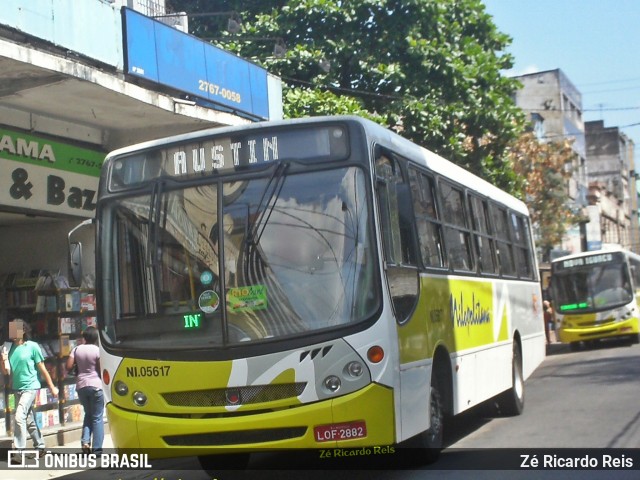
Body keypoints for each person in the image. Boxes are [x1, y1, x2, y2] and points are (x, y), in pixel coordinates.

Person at [0, 319, 58, 460]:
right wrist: (3, 359)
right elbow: (6, 372)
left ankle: (18, 452)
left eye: (15, 329)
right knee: (28, 419)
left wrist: (51, 387)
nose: (12, 332)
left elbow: (42, 369)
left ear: (23, 331)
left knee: (19, 416)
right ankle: (40, 446)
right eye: (10, 329)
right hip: (17, 388)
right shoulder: (8, 347)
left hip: (31, 387)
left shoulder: (32, 346)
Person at [66, 326, 103, 454]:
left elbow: (68, 366)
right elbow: (100, 370)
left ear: (85, 337)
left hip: (81, 386)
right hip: (96, 386)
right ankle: (97, 449)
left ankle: (85, 441)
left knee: (88, 413)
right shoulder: (97, 350)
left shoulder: (76, 349)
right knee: (97, 417)